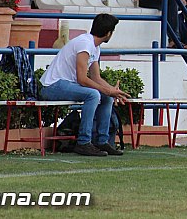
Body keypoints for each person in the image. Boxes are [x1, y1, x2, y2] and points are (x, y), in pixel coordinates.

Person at [40, 14, 128, 156]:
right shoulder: (85, 44)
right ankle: (84, 142)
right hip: (52, 86)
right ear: (108, 33)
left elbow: (95, 77)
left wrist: (111, 91)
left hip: (65, 84)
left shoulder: (95, 47)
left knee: (106, 97)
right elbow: (82, 79)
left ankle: (102, 141)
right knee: (93, 94)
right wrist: (107, 90)